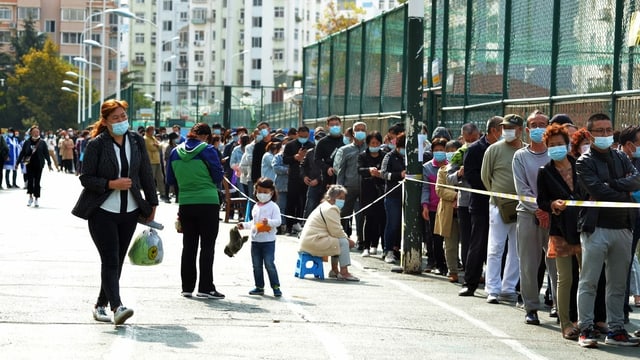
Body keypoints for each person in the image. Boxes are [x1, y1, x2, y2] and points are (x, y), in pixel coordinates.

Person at [71, 99, 158, 325]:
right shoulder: (97, 144)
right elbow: (85, 178)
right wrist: (111, 184)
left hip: (129, 211)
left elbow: (146, 174)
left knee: (117, 261)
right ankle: (117, 307)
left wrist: (152, 204)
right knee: (109, 259)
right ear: (106, 121)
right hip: (102, 211)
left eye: (123, 116)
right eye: (115, 118)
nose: (121, 121)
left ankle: (100, 304)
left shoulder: (136, 141)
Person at [575, 113, 640, 348]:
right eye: (600, 130)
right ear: (590, 134)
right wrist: (621, 190)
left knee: (618, 283)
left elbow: (636, 180)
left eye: (608, 129)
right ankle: (586, 329)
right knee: (589, 281)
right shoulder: (584, 162)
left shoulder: (622, 157)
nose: (605, 134)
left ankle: (616, 331)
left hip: (623, 226)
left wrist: (611, 186)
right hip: (596, 228)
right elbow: (597, 191)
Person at [166, 122, 225, 299]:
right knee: (207, 246)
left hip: (186, 202)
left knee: (189, 245)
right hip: (208, 201)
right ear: (206, 136)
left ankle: (187, 287)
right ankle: (206, 288)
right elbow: (217, 175)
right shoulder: (208, 150)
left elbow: (170, 178)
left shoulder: (175, 151)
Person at [537, 123, 583, 340]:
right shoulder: (544, 172)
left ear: (567, 145)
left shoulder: (580, 165)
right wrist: (552, 204)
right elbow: (541, 201)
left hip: (584, 228)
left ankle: (584, 320)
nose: (556, 148)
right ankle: (565, 323)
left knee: (587, 276)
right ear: (547, 147)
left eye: (560, 144)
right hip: (560, 230)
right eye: (552, 145)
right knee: (565, 277)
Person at [512, 111, 558, 325]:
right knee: (529, 264)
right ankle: (531, 307)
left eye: (543, 124)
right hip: (528, 215)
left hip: (555, 215)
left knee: (557, 264)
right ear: (528, 130)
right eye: (534, 125)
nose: (538, 128)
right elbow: (522, 188)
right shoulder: (520, 156)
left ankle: (561, 307)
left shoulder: (556, 154)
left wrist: (549, 209)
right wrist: (539, 209)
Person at [480, 114, 524, 304]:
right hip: (498, 205)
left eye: (511, 127)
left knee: (517, 249)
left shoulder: (524, 151)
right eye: (504, 127)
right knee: (495, 247)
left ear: (520, 130)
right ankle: (493, 288)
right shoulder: (493, 149)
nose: (507, 131)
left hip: (522, 206)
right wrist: (496, 197)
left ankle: (508, 287)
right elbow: (485, 176)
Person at [459, 116, 503, 297]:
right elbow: (469, 174)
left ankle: (503, 285)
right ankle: (470, 283)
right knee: (477, 243)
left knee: (502, 247)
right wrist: (491, 185)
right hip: (481, 204)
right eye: (503, 129)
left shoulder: (510, 148)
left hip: (504, 204)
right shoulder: (476, 149)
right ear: (494, 130)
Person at [299, 184, 360, 281]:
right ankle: (344, 272)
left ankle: (334, 270)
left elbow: (334, 231)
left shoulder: (324, 206)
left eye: (343, 198)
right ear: (332, 197)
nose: (342, 201)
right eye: (340, 198)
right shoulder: (331, 209)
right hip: (313, 242)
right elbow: (336, 230)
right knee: (343, 242)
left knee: (337, 240)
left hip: (310, 241)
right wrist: (348, 240)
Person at [238, 177, 283, 296]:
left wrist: (268, 222)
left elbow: (278, 221)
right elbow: (253, 223)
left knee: (269, 264)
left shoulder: (273, 206)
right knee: (256, 265)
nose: (262, 194)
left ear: (271, 192)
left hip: (268, 242)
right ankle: (259, 286)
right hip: (255, 241)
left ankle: (276, 286)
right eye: (259, 191)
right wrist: (244, 225)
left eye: (265, 192)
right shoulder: (256, 207)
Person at [448, 123, 480, 270]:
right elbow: (449, 178)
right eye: (468, 140)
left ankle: (479, 269)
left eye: (475, 138)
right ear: (462, 139)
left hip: (482, 201)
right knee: (466, 238)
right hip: (465, 202)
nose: (472, 142)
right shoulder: (459, 154)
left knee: (480, 238)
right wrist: (459, 174)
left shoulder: (485, 150)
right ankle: (468, 269)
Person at [334, 121, 367, 247]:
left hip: (364, 188)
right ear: (353, 133)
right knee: (344, 214)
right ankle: (342, 237)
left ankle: (361, 239)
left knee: (361, 214)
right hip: (348, 187)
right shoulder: (345, 150)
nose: (360, 132)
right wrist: (339, 189)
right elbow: (340, 171)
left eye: (362, 130)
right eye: (357, 129)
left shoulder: (368, 149)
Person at [434, 139, 462, 282]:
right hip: (449, 213)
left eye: (454, 151)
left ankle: (472, 271)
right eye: (448, 152)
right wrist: (456, 196)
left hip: (465, 212)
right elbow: (439, 190)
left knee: (470, 245)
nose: (451, 154)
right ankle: (452, 270)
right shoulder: (443, 170)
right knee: (450, 244)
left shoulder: (466, 168)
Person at [421, 137, 449, 275]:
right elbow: (425, 188)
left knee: (448, 237)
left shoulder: (451, 167)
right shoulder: (427, 168)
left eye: (442, 150)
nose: (439, 152)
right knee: (434, 237)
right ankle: (438, 263)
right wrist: (425, 205)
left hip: (447, 207)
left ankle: (450, 263)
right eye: (436, 150)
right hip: (432, 207)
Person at [357, 131, 386, 257]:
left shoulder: (385, 155)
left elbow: (387, 170)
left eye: (377, 143)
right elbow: (359, 170)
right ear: (368, 144)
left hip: (381, 190)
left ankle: (375, 244)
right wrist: (369, 170)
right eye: (372, 143)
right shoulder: (363, 156)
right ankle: (366, 246)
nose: (375, 145)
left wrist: (380, 173)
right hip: (367, 190)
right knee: (368, 218)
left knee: (380, 219)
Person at [283, 126, 315, 234]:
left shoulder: (312, 145)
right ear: (297, 134)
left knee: (304, 202)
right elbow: (284, 159)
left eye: (305, 136)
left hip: (306, 178)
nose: (303, 138)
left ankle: (301, 223)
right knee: (291, 202)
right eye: (301, 136)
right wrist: (294, 158)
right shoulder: (290, 145)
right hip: (293, 178)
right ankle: (289, 225)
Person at [381, 132, 406, 263]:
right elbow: (383, 174)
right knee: (393, 223)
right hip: (393, 195)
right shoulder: (389, 156)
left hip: (407, 196)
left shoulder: (411, 157)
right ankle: (388, 250)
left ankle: (398, 249)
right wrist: (399, 175)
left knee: (403, 225)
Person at [16, 126, 52, 207]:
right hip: (29, 164)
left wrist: (49, 164)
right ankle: (30, 197)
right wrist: (17, 163)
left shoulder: (42, 142)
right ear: (31, 133)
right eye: (35, 131)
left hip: (39, 165)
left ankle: (36, 198)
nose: (36, 133)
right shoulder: (27, 142)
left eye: (38, 132)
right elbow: (22, 153)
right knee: (30, 181)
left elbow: (46, 154)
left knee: (37, 182)